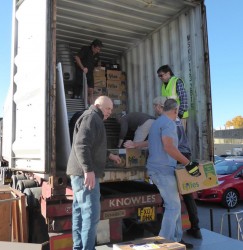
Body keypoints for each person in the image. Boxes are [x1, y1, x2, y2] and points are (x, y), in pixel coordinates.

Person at [125, 96, 202, 240]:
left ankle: (177, 238)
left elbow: (151, 141)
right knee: (173, 206)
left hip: (157, 169)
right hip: (163, 170)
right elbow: (169, 147)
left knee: (175, 204)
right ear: (175, 109)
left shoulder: (157, 122)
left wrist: (136, 145)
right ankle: (166, 242)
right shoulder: (169, 123)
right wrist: (188, 164)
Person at [66, 95, 121, 250]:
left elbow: (94, 146)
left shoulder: (94, 118)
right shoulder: (92, 118)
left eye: (111, 109)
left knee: (79, 213)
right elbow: (81, 145)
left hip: (78, 174)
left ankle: (79, 247)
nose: (110, 112)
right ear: (98, 105)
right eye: (107, 108)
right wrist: (88, 169)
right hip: (84, 175)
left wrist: (110, 155)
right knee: (91, 215)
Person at [157, 65, 188, 130]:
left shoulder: (177, 81)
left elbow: (184, 98)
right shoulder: (163, 86)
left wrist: (179, 114)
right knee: (171, 138)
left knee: (179, 138)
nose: (160, 77)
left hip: (179, 116)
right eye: (159, 76)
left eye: (161, 75)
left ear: (168, 73)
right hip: (169, 117)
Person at [73, 39, 103, 105]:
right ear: (93, 46)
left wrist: (99, 66)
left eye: (99, 49)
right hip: (81, 73)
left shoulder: (97, 55)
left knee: (91, 90)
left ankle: (91, 107)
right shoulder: (85, 49)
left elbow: (97, 64)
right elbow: (77, 57)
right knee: (79, 90)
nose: (98, 51)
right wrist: (83, 68)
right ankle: (77, 100)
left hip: (90, 74)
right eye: (97, 49)